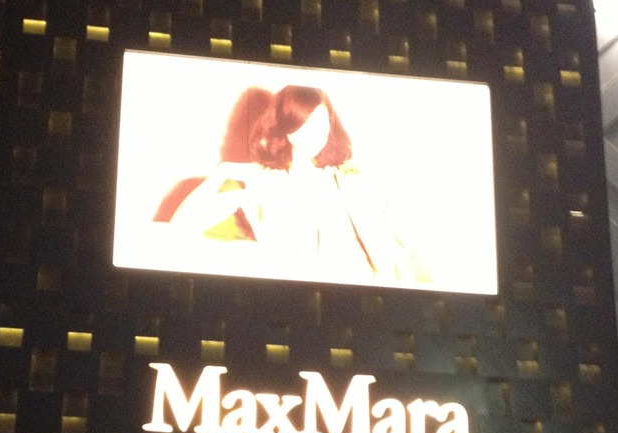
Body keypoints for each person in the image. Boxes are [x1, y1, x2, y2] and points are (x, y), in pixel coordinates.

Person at [157, 84, 429, 284]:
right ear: (286, 127)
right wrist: (221, 174)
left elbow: (386, 253)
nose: (315, 134)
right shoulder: (261, 182)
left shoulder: (344, 179)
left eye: (321, 123)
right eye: (304, 124)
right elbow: (180, 228)